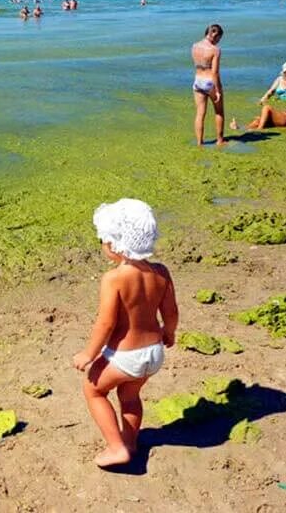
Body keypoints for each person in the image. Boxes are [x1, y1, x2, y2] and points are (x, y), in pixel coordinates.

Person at [72, 199, 178, 467]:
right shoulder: (161, 273)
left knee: (93, 389)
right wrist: (170, 333)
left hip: (125, 356)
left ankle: (117, 447)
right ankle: (130, 442)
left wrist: (89, 354)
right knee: (130, 396)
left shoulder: (114, 278)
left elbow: (105, 323)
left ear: (112, 244)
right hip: (153, 353)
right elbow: (171, 312)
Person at [191, 24, 226, 146]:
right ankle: (220, 140)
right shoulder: (215, 50)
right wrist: (218, 89)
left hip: (197, 80)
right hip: (209, 82)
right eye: (218, 38)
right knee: (219, 111)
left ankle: (200, 142)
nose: (218, 42)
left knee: (200, 113)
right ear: (214, 34)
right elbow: (215, 72)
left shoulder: (194, 46)